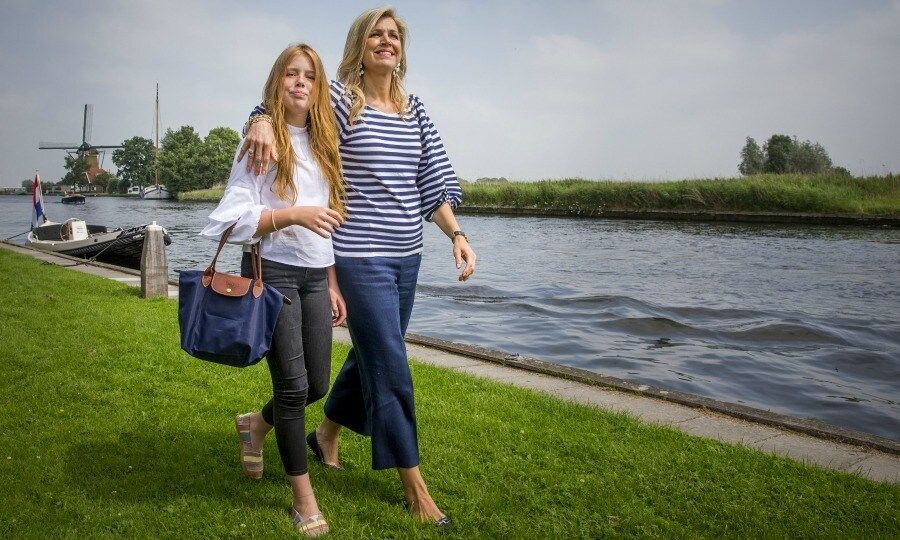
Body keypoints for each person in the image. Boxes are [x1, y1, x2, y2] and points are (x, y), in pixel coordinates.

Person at [239, 6, 476, 528]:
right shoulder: (343, 102)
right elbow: (289, 107)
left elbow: (432, 185)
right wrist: (258, 118)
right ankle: (415, 487)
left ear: (402, 49)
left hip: (405, 258)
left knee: (369, 354)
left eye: (394, 36)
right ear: (359, 44)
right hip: (357, 257)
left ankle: (323, 433)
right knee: (391, 364)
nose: (386, 42)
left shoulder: (416, 111)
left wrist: (456, 234)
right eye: (376, 34)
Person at [200, 42, 346, 537]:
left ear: (319, 86)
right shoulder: (262, 141)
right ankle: (303, 499)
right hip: (274, 273)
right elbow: (232, 219)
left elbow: (327, 225)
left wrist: (331, 282)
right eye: (290, 74)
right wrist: (292, 214)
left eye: (309, 75)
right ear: (276, 83)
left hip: (313, 275)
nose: (300, 82)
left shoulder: (326, 144)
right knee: (292, 387)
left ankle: (255, 425)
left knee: (319, 385)